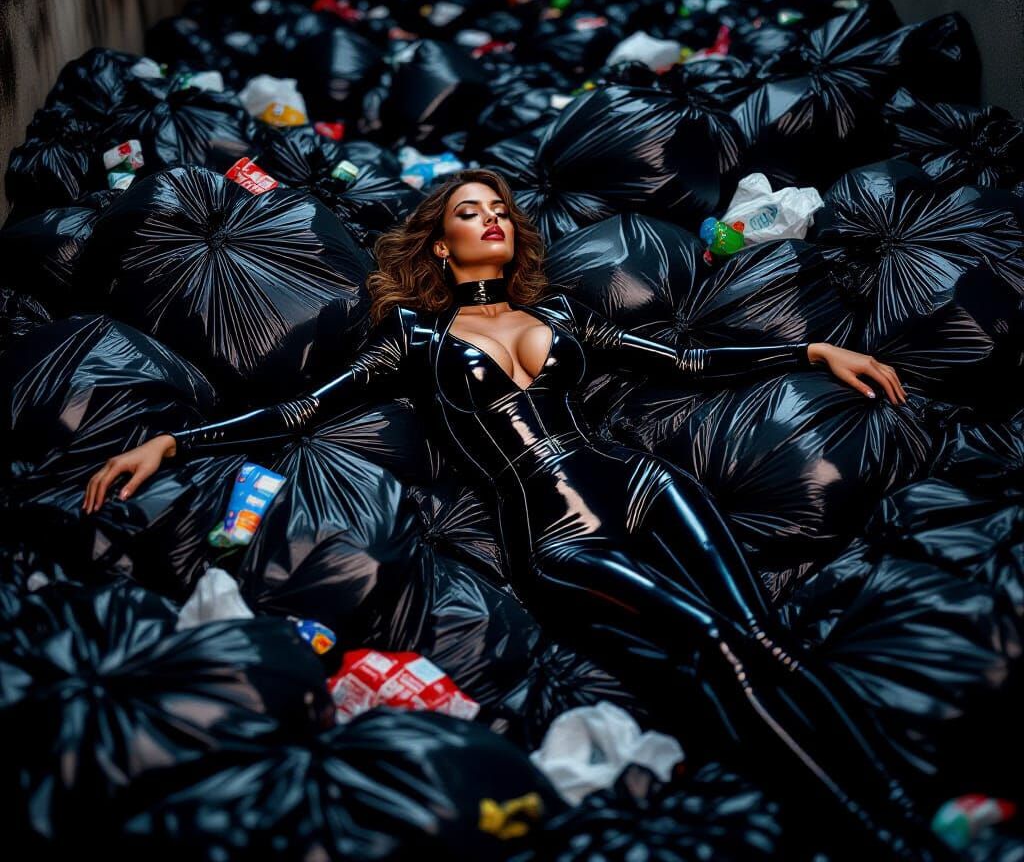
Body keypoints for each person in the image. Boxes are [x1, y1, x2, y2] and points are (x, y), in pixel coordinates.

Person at [83, 169, 948, 859]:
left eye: (499, 208)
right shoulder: (415, 343)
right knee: (717, 651)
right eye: (469, 209)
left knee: (763, 638)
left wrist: (812, 347)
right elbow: (303, 412)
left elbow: (681, 357)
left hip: (641, 483)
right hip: (556, 534)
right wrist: (173, 445)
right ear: (440, 237)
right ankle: (872, 835)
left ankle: (903, 803)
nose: (491, 219)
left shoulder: (558, 312)